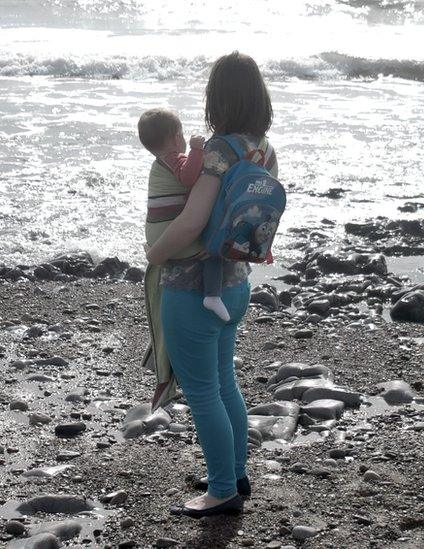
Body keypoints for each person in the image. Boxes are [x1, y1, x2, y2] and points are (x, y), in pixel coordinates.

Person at [146, 51, 277, 518]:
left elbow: (193, 219)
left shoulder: (220, 149)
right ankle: (235, 473)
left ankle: (222, 490)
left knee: (203, 392)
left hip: (192, 288)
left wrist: (155, 252)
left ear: (216, 97)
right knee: (224, 383)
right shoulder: (262, 147)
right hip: (236, 282)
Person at [138, 108, 232, 325]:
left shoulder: (161, 162)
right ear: (175, 137)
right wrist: (197, 150)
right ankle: (213, 295)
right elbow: (189, 177)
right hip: (167, 235)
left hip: (157, 232)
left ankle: (212, 295)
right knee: (213, 250)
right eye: (181, 134)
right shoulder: (173, 158)